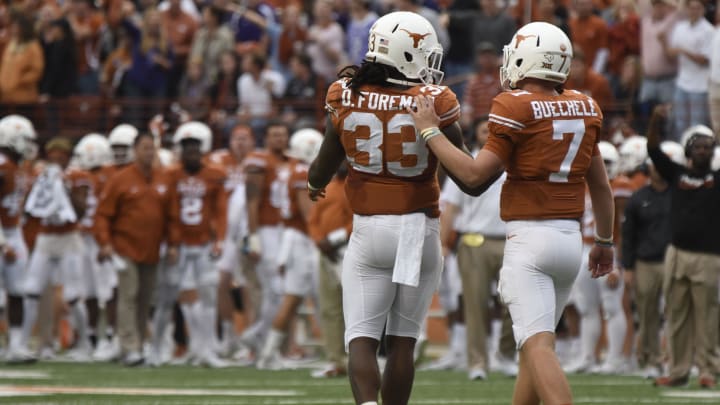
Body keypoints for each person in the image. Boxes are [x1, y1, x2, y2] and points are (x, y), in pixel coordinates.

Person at [409, 21, 615, 405]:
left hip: (530, 241)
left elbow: (473, 176)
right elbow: (601, 187)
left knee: (538, 348)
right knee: (531, 352)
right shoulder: (586, 106)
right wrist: (604, 241)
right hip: (570, 242)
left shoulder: (514, 104)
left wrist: (429, 132)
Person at [307, 11, 480, 405]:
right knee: (403, 342)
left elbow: (324, 161)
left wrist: (315, 183)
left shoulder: (344, 93)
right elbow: (463, 165)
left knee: (362, 338)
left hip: (369, 229)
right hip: (419, 227)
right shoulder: (434, 99)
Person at [647, 106, 720, 388]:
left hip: (708, 257)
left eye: (708, 147)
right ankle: (677, 371)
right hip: (676, 254)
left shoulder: (717, 179)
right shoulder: (676, 174)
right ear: (688, 151)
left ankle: (708, 370)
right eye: (698, 146)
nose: (704, 150)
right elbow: (653, 151)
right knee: (676, 315)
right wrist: (655, 122)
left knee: (707, 317)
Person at [95, 132, 170, 366]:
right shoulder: (120, 179)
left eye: (152, 148)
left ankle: (137, 342)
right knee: (128, 294)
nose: (149, 153)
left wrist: (173, 242)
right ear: (135, 150)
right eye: (145, 148)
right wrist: (105, 242)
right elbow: (103, 214)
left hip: (152, 248)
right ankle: (129, 345)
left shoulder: (162, 178)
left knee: (145, 298)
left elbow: (171, 215)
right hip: (125, 246)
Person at [163, 121, 227, 367]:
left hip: (202, 243)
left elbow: (220, 211)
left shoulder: (214, 175)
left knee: (208, 295)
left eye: (195, 148)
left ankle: (207, 348)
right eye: (186, 148)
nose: (191, 152)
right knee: (185, 296)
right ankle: (197, 347)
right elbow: (167, 211)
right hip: (179, 245)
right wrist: (170, 242)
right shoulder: (171, 175)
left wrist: (219, 238)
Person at [622, 140, 683, 379]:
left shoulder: (678, 195)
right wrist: (628, 266)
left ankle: (674, 359)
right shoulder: (638, 197)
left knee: (676, 313)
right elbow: (629, 235)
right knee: (647, 314)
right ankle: (650, 359)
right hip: (645, 261)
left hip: (672, 260)